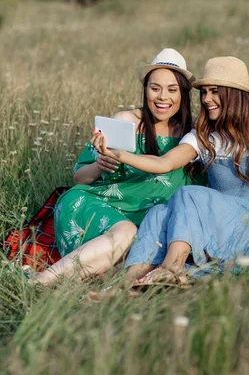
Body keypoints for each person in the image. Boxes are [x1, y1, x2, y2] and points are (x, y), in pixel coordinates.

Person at [91, 54, 249, 290]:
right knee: (159, 213)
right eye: (204, 92)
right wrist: (121, 155)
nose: (206, 99)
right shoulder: (204, 137)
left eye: (214, 91)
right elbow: (164, 163)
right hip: (223, 225)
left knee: (189, 194)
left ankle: (171, 268)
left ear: (234, 94)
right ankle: (123, 287)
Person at [32, 48, 196, 286]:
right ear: (145, 90)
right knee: (127, 233)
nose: (163, 97)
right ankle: (39, 283)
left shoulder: (192, 136)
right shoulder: (126, 122)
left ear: (183, 94)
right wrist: (99, 165)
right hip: (96, 205)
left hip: (149, 223)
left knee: (141, 255)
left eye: (172, 90)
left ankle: (87, 281)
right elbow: (79, 177)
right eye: (155, 88)